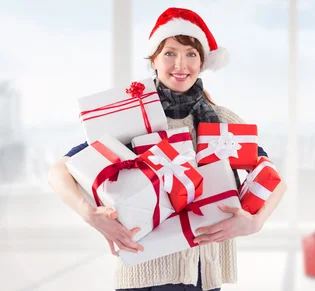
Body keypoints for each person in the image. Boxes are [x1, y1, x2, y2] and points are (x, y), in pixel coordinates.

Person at [47, 7, 286, 291]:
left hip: (204, 277)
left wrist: (255, 223)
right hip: (145, 274)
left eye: (191, 54)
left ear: (202, 62)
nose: (180, 64)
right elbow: (59, 171)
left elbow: (272, 177)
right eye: (170, 53)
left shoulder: (222, 120)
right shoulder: (134, 116)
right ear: (154, 61)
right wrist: (90, 215)